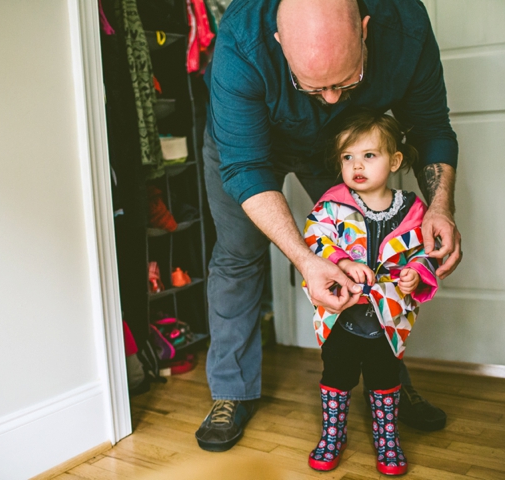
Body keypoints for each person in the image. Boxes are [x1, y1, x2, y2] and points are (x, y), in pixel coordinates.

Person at [194, 0, 462, 453]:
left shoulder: (405, 24)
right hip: (248, 147)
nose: (334, 97)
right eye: (314, 85)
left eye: (346, 80)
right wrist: (306, 259)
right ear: (279, 43)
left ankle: (388, 380)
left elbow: (430, 126)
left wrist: (441, 206)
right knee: (240, 253)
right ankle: (230, 392)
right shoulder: (242, 38)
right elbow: (245, 165)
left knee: (372, 254)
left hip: (344, 145)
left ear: (364, 29)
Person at [303, 111, 438, 475]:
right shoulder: (331, 206)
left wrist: (415, 273)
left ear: (394, 161)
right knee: (336, 373)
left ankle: (387, 438)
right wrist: (343, 262)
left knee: (384, 377)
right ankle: (333, 433)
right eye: (348, 157)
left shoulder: (413, 210)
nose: (356, 165)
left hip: (388, 319)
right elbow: (315, 240)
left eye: (369, 155)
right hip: (340, 315)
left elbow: (425, 252)